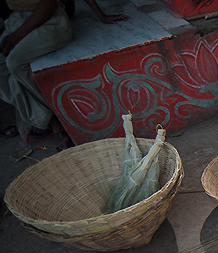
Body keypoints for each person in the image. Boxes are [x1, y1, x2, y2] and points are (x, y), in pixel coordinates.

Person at [0, 0, 128, 150]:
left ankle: (55, 122)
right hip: (17, 20)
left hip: (50, 21)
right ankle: (46, 117)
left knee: (15, 63)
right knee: (5, 72)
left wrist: (101, 15)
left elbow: (49, 4)